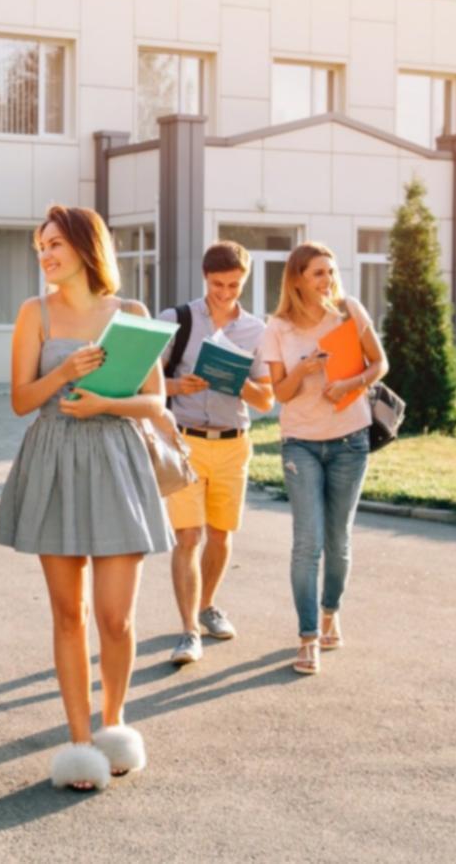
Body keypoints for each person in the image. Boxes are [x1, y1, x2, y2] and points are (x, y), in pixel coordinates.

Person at [0, 205, 173, 792]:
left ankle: (115, 727)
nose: (44, 255)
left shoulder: (133, 313)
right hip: (56, 459)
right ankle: (76, 741)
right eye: (39, 247)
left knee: (115, 618)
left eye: (53, 244)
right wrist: (65, 370)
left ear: (84, 246)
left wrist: (105, 404)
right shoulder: (33, 313)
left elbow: (156, 403)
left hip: (118, 459)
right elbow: (21, 400)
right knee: (68, 614)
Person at [259, 242, 389, 676]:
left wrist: (349, 383)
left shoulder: (349, 312)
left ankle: (331, 611)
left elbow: (380, 364)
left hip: (350, 440)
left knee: (338, 539)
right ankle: (308, 636)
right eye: (318, 273)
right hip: (301, 443)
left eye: (330, 272)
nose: (327, 280)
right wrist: (305, 369)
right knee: (306, 543)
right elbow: (279, 393)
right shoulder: (277, 326)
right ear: (297, 278)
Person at [158, 242, 275, 666]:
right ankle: (189, 631)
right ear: (204, 277)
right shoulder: (176, 320)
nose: (225, 293)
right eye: (217, 284)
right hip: (184, 442)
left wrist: (235, 379)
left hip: (233, 442)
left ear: (244, 281)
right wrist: (178, 386)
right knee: (188, 536)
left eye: (233, 285)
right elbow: (142, 380)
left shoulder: (258, 331)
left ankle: (207, 605)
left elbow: (265, 400)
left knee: (221, 534)